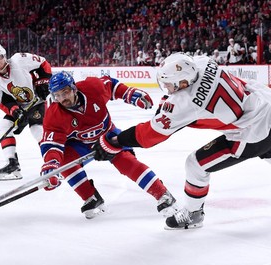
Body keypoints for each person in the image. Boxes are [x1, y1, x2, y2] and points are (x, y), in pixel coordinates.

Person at [92, 52, 271, 229]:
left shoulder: (186, 103)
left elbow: (150, 134)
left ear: (183, 83)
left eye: (171, 85)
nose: (168, 88)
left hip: (253, 135)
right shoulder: (203, 63)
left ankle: (192, 214)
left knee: (196, 165)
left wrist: (116, 141)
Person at [40, 71, 178, 219]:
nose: (62, 98)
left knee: (126, 162)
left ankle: (162, 194)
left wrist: (129, 93)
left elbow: (111, 86)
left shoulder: (92, 88)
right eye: (57, 95)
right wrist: (52, 165)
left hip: (107, 136)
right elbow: (52, 144)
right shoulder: (54, 114)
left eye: (65, 92)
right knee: (65, 162)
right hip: (81, 144)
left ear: (74, 88)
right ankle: (91, 197)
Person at [0, 44, 52, 180]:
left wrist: (43, 82)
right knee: (3, 127)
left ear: (5, 57)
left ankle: (53, 163)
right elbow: (2, 102)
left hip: (37, 101)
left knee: (37, 129)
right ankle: (12, 163)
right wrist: (14, 111)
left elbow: (43, 63)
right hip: (20, 107)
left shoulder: (19, 60)